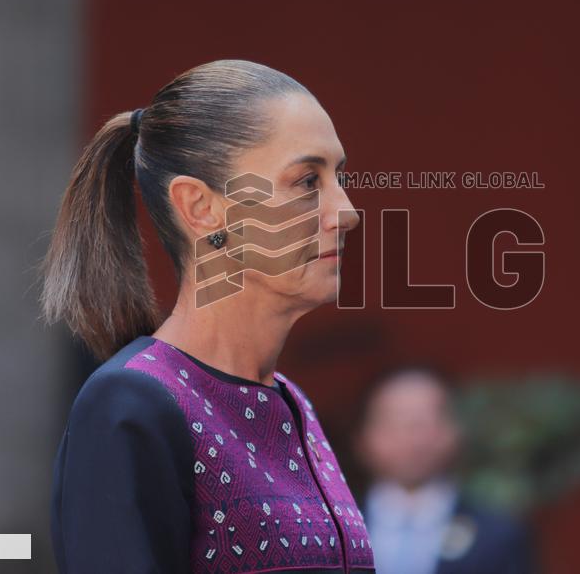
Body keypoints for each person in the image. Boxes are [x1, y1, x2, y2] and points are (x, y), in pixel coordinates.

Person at [42, 60, 375, 573]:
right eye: (308, 181)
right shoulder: (131, 405)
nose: (346, 211)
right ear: (200, 207)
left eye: (340, 177)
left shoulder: (293, 404)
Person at [355, 365, 537, 574]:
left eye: (425, 421)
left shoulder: (498, 534)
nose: (413, 438)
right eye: (395, 421)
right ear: (363, 437)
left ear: (456, 430)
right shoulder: (328, 533)